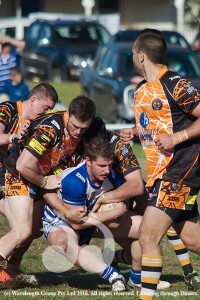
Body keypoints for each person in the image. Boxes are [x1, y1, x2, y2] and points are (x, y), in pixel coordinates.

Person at [120, 28, 200, 299]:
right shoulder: (141, 91)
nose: (132, 56)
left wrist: (178, 137)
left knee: (148, 235)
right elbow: (154, 126)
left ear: (141, 55)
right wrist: (134, 132)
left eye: (133, 52)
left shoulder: (176, 83)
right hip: (160, 174)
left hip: (181, 169)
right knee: (191, 239)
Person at [0, 95, 95, 286]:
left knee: (34, 229)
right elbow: (22, 165)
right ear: (68, 114)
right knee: (22, 229)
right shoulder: (50, 129)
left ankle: (11, 269)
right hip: (17, 176)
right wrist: (44, 181)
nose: (78, 132)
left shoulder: (85, 130)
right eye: (75, 126)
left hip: (35, 180)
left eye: (83, 128)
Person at [43, 136, 128, 292]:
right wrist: (115, 211)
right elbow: (77, 222)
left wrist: (121, 207)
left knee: (142, 231)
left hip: (91, 219)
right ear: (88, 161)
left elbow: (127, 194)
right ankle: (114, 276)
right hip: (62, 222)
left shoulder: (111, 174)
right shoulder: (74, 180)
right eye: (102, 165)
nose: (107, 170)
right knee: (65, 244)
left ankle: (138, 276)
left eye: (110, 165)